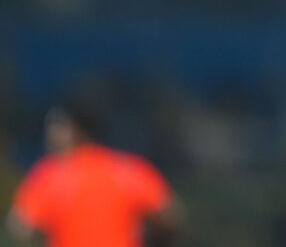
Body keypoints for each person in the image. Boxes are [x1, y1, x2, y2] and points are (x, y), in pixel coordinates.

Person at [7, 103, 180, 247]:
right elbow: (170, 216)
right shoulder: (128, 168)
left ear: (77, 132)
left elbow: (21, 228)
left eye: (58, 129)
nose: (50, 138)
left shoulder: (49, 175)